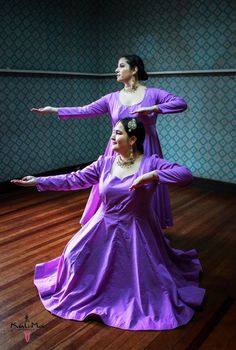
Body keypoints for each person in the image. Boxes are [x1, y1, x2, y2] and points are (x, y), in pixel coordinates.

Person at [12, 118, 205, 331]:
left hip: (136, 230)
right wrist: (39, 181)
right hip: (102, 225)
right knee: (72, 258)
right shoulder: (104, 163)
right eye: (113, 133)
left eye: (118, 133)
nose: (112, 137)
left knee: (143, 283)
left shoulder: (151, 163)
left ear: (132, 140)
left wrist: (153, 175)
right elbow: (73, 179)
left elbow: (185, 175)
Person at [31, 54, 188, 229]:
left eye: (121, 66)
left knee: (145, 187)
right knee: (111, 185)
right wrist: (54, 109)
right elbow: (85, 110)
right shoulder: (111, 98)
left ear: (134, 69)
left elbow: (180, 103)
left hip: (146, 147)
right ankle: (109, 221)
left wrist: (154, 108)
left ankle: (146, 227)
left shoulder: (153, 94)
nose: (116, 70)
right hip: (117, 149)